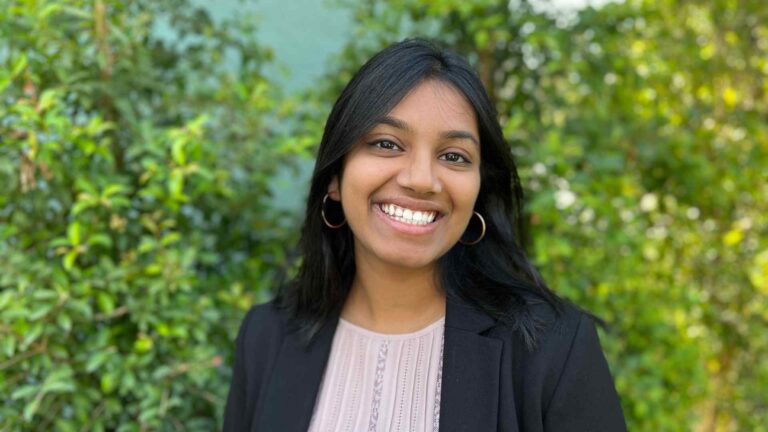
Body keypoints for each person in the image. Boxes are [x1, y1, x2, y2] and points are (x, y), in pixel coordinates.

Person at [223, 39, 627, 432]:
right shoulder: (266, 338)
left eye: (453, 156)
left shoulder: (551, 349)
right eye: (386, 143)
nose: (421, 180)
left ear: (478, 191)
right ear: (335, 177)